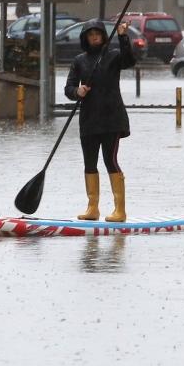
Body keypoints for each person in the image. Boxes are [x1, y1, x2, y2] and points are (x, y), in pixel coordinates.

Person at [63, 18, 136, 222]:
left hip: (112, 119)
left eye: (97, 34)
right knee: (89, 163)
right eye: (90, 34)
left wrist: (122, 36)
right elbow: (68, 89)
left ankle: (119, 210)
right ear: (86, 38)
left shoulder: (112, 56)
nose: (94, 37)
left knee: (110, 160)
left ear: (103, 36)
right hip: (89, 121)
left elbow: (129, 61)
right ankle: (92, 208)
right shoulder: (79, 61)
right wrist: (78, 91)